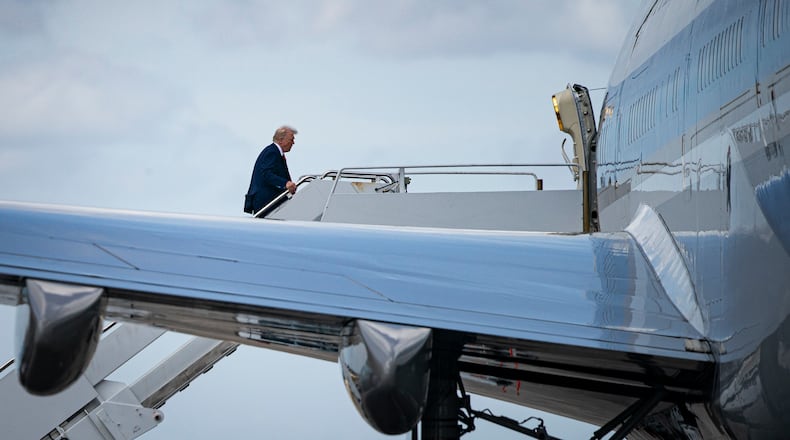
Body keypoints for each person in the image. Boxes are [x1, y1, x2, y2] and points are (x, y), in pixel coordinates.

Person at [244, 126, 298, 215]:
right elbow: (266, 174)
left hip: (269, 201)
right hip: (266, 201)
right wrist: (285, 183)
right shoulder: (272, 152)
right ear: (281, 140)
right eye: (291, 140)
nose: (293, 143)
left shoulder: (275, 152)